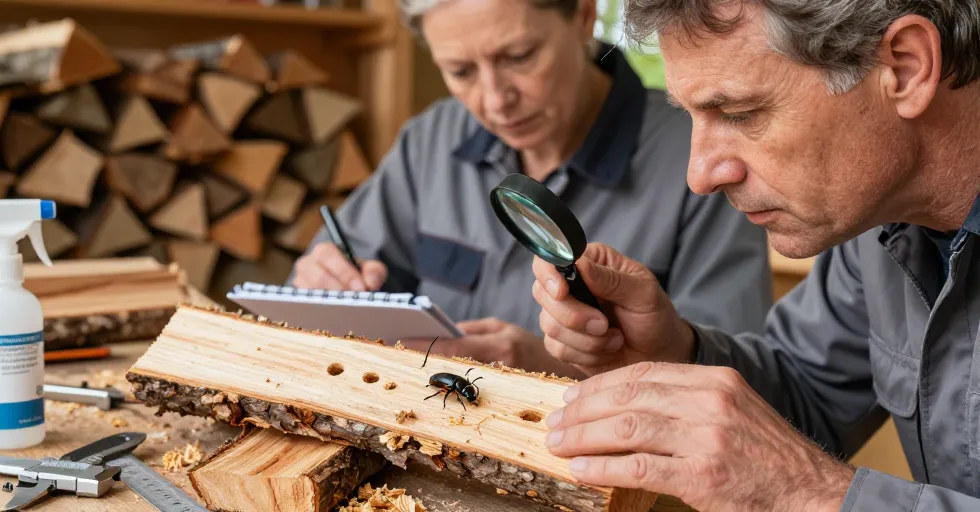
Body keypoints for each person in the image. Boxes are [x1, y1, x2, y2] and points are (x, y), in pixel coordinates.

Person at [531, 0, 980, 510]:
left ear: (905, 66)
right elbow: (810, 392)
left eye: (741, 114)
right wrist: (676, 352)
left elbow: (797, 474)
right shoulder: (878, 222)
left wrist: (809, 492)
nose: (699, 177)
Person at [287, 0, 773, 377]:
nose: (496, 100)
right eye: (460, 72)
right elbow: (331, 278)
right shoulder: (432, 139)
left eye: (519, 57)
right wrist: (323, 285)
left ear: (583, 17)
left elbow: (732, 379)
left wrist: (550, 369)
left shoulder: (702, 158)